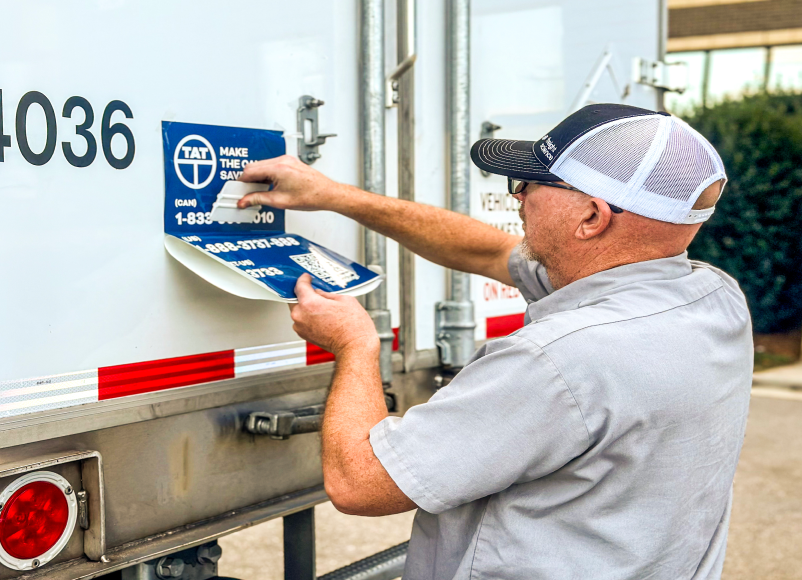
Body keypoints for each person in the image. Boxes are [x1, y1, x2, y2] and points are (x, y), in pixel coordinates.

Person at [237, 104, 753, 579]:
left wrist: (355, 346)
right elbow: (487, 251)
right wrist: (337, 197)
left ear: (592, 218)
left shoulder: (558, 359)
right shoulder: (714, 298)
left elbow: (361, 483)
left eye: (531, 182)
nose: (517, 195)